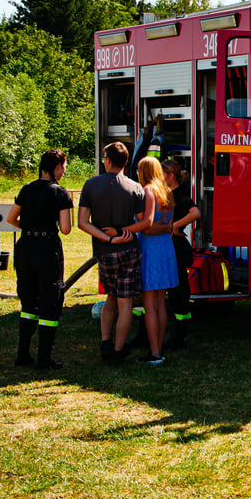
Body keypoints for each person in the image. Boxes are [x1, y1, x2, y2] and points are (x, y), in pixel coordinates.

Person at [78, 141, 151, 365]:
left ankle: (105, 342)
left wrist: (108, 237)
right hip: (129, 250)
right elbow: (144, 223)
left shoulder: (90, 185)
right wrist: (123, 232)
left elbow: (82, 222)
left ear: (107, 160)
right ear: (126, 162)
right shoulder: (135, 187)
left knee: (110, 296)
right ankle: (119, 350)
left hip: (104, 251)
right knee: (125, 302)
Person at [7, 149, 73, 369]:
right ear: (56, 167)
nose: (64, 170)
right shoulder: (60, 193)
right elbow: (65, 229)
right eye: (63, 166)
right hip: (47, 249)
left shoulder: (27, 188)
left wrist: (28, 228)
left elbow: (11, 218)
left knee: (28, 301)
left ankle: (22, 354)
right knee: (50, 300)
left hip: (25, 247)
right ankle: (44, 358)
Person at [136, 156, 178, 364]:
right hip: (165, 247)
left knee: (149, 304)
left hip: (150, 248)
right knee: (161, 301)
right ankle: (159, 348)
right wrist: (166, 228)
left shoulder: (148, 191)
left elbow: (148, 226)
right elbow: (169, 225)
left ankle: (154, 352)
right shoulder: (167, 192)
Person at [162, 159, 200, 349]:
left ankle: (179, 336)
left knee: (179, 293)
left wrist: (175, 226)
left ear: (170, 176)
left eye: (162, 174)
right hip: (166, 248)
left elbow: (195, 213)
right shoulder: (164, 193)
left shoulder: (181, 194)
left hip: (177, 248)